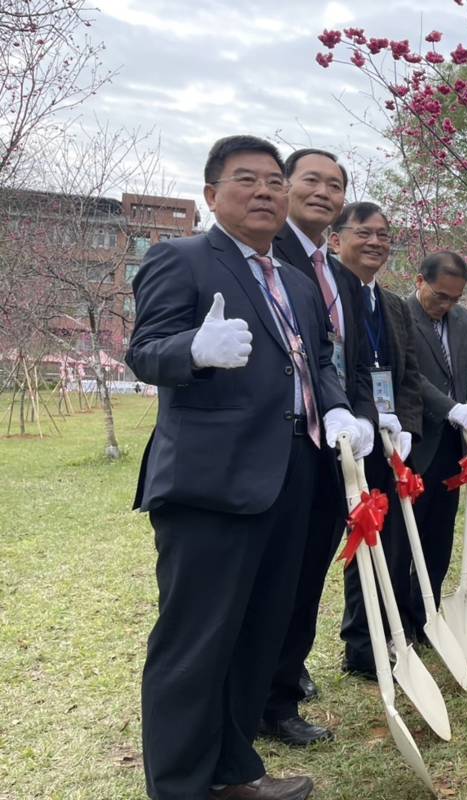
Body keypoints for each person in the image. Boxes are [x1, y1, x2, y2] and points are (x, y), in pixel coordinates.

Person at [127, 135, 374, 800]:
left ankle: (234, 773)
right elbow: (145, 351)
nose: (264, 192)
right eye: (247, 181)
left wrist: (340, 409)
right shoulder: (178, 260)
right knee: (196, 643)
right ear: (212, 195)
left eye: (272, 182)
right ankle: (180, 787)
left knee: (256, 635)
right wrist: (193, 348)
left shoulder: (293, 280)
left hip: (291, 473)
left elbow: (317, 359)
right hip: (212, 481)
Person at [260, 149, 381, 747]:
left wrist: (362, 419)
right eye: (312, 180)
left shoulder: (338, 276)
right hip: (276, 447)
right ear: (286, 186)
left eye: (336, 185)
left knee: (308, 578)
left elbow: (353, 365)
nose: (324, 193)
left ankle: (280, 693)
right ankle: (258, 695)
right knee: (273, 581)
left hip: (332, 451)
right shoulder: (266, 252)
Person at [327, 202, 425, 676]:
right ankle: (346, 646)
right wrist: (365, 417)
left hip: (386, 442)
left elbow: (407, 374)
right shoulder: (323, 294)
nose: (375, 243)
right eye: (363, 233)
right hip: (339, 437)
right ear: (336, 240)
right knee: (339, 545)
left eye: (384, 235)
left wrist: (402, 424)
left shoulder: (393, 305)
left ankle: (373, 639)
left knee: (383, 540)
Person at [403, 250, 467, 638]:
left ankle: (427, 615)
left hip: (454, 448)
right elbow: (411, 375)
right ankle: (399, 622)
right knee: (405, 539)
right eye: (440, 296)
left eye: (455, 298)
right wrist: (451, 408)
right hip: (413, 442)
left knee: (440, 536)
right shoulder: (400, 316)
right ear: (420, 281)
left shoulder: (465, 323)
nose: (446, 305)